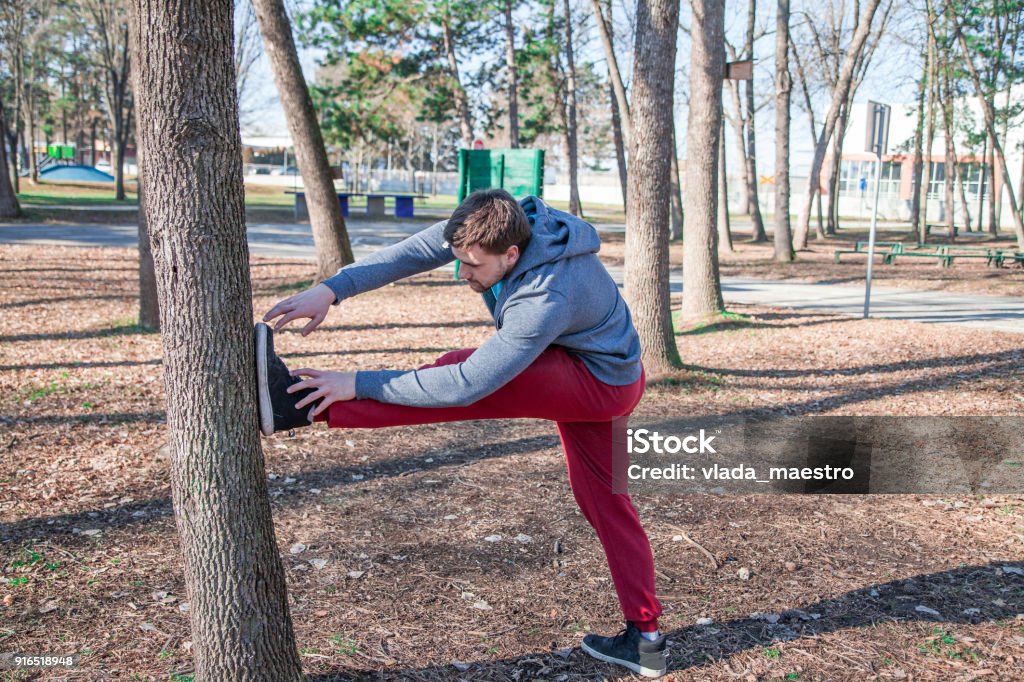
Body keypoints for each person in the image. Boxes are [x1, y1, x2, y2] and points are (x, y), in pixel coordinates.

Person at [257, 189, 668, 678]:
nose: (462, 274)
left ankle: (297, 409)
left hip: (598, 383)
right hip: (601, 365)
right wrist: (331, 289)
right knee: (604, 501)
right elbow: (411, 253)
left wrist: (358, 384)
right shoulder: (489, 223)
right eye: (458, 261)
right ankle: (645, 640)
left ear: (512, 254)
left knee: (458, 372)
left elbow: (466, 386)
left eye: (472, 267)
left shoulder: (546, 294)